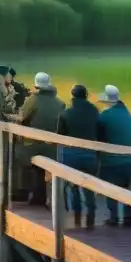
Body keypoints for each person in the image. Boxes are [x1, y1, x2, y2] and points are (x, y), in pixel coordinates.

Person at [14, 72, 64, 206]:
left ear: (36, 86)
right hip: (54, 146)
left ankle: (25, 193)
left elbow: (22, 118)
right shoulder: (60, 103)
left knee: (16, 151)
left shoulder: (32, 100)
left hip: (33, 145)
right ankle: (45, 197)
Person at [57, 85, 101, 228]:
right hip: (90, 154)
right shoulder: (95, 111)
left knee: (74, 187)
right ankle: (91, 216)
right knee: (89, 186)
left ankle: (76, 218)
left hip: (71, 154)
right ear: (86, 95)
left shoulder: (66, 114)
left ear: (73, 96)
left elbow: (60, 135)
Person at [96, 85, 131, 227]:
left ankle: (113, 217)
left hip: (110, 159)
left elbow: (98, 136)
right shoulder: (130, 117)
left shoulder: (104, 116)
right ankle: (129, 217)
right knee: (126, 189)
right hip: (128, 160)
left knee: (111, 189)